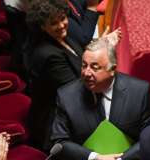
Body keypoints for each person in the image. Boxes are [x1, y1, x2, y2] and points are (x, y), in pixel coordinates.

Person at [51, 38, 150, 160]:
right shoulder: (66, 96)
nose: (86, 73)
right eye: (84, 65)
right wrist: (96, 159)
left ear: (113, 68)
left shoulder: (139, 91)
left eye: (95, 67)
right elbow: (59, 142)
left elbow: (149, 136)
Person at [24, 0, 120, 151]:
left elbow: (81, 56)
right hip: (57, 117)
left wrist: (102, 44)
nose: (62, 25)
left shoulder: (62, 37)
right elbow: (76, 88)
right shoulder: (47, 54)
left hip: (74, 101)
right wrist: (105, 54)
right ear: (42, 27)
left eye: (63, 18)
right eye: (54, 23)